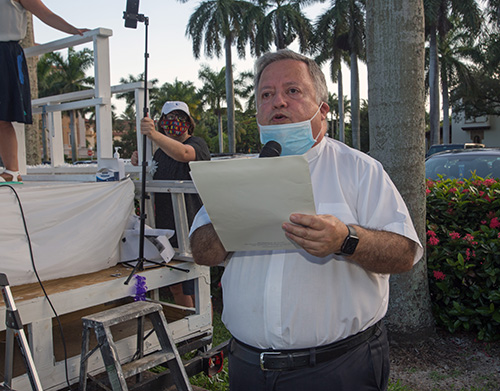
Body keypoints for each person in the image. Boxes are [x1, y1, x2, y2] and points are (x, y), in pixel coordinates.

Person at [189, 49, 424, 391]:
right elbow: (201, 250)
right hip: (248, 369)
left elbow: (405, 253)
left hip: (338, 370)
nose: (278, 102)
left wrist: (346, 239)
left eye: (292, 91)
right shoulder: (237, 175)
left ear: (323, 110)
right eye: (266, 95)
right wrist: (234, 219)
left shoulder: (360, 170)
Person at [0, 0, 89, 183]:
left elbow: (45, 14)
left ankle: (12, 171)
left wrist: (73, 29)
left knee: (3, 117)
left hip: (5, 54)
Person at [132, 101, 210, 307]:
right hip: (166, 228)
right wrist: (138, 158)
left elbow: (183, 154)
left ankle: (204, 333)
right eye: (170, 118)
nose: (175, 123)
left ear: (188, 122)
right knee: (176, 284)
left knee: (197, 284)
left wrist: (154, 135)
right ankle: (187, 332)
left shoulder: (197, 144)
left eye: (180, 117)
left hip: (193, 227)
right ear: (163, 122)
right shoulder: (159, 152)